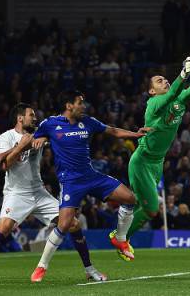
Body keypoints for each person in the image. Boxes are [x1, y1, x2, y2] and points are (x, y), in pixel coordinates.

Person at [0, 103, 106, 283]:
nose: (35, 118)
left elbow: (58, 133)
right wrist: (20, 146)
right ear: (20, 118)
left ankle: (90, 270)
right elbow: (5, 165)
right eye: (31, 115)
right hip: (16, 193)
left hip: (39, 192)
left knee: (73, 223)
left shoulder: (40, 132)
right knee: (4, 227)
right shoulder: (6, 137)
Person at [19, 90, 150, 281]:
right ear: (69, 105)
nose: (83, 106)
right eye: (80, 103)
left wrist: (136, 134)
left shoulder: (88, 121)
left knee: (129, 198)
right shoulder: (50, 123)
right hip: (70, 182)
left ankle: (120, 238)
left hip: (91, 176)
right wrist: (40, 138)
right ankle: (41, 266)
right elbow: (33, 138)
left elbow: (113, 131)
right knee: (64, 225)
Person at [110, 56, 190, 260]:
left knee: (139, 204)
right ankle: (120, 237)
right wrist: (183, 75)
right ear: (152, 91)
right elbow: (171, 95)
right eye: (159, 81)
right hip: (142, 162)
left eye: (165, 79)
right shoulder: (153, 104)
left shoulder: (177, 102)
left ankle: (121, 237)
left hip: (157, 163)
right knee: (152, 209)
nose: (165, 81)